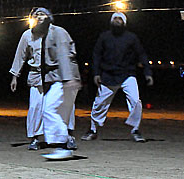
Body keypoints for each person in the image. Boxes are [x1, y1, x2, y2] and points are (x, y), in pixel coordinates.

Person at [9, 8, 77, 151]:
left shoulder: (59, 32)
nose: (39, 17)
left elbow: (69, 52)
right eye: (36, 15)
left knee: (65, 106)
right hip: (37, 75)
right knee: (36, 106)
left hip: (57, 74)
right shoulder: (28, 35)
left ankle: (69, 136)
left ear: (49, 17)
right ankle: (35, 138)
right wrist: (15, 76)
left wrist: (70, 75)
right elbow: (20, 56)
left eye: (42, 14)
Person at [81, 12, 153, 143]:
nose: (117, 21)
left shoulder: (132, 38)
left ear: (124, 23)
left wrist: (148, 73)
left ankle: (135, 130)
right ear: (111, 21)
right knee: (99, 104)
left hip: (127, 75)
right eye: (115, 18)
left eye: (120, 19)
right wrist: (96, 73)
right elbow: (96, 55)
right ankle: (93, 129)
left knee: (136, 102)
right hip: (107, 76)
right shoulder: (104, 37)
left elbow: (142, 54)